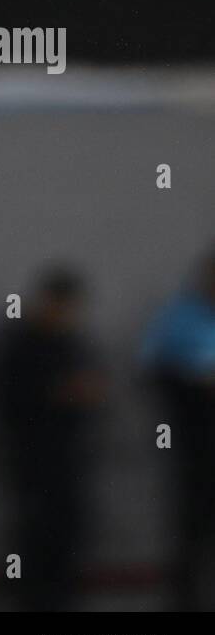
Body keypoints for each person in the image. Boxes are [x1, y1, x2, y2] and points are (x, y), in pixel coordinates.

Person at [0, 265, 105, 611]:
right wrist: (60, 393)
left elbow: (92, 389)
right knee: (33, 543)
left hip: (68, 462)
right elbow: (8, 398)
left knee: (66, 542)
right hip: (31, 463)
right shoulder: (18, 346)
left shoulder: (70, 344)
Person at [139, 246, 215, 610]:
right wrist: (195, 383)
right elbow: (156, 374)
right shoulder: (179, 320)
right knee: (193, 527)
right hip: (197, 446)